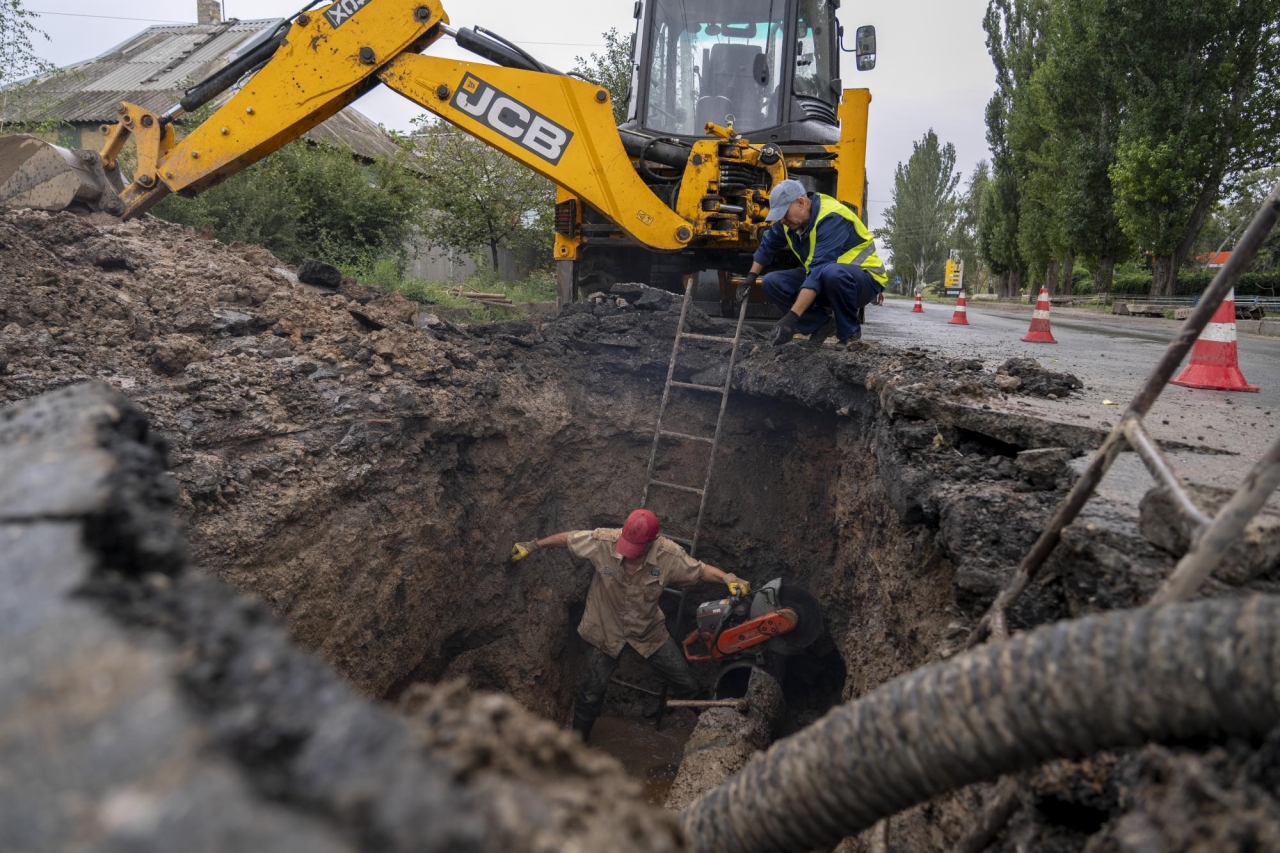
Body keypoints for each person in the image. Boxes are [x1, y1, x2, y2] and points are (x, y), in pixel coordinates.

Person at [510, 509, 749, 740]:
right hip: (605, 630)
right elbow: (568, 539)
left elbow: (700, 570)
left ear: (652, 541)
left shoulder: (668, 555)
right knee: (590, 695)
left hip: (647, 631)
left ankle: (714, 732)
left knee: (686, 683)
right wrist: (533, 545)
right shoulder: (604, 541)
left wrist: (727, 577)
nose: (628, 554)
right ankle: (576, 745)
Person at [738, 179, 888, 347]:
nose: (781, 220)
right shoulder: (788, 223)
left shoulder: (831, 217)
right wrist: (750, 278)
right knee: (771, 281)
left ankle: (849, 334)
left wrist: (791, 318)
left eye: (783, 213)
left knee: (832, 272)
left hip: (862, 282)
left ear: (801, 202)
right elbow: (767, 246)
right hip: (826, 279)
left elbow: (818, 272)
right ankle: (821, 325)